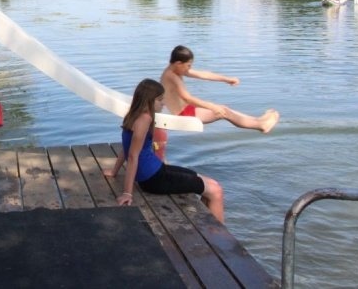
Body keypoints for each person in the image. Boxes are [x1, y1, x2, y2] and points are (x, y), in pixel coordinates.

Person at [115, 79, 224, 222]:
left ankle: (207, 227)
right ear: (149, 100)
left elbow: (126, 147)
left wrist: (114, 171)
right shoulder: (145, 119)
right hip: (154, 179)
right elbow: (133, 155)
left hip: (157, 171)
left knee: (209, 183)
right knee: (216, 191)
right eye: (160, 100)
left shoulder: (133, 115)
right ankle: (221, 241)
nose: (164, 103)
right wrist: (127, 193)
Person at [160, 45, 279, 134]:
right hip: (183, 114)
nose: (189, 69)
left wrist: (227, 79)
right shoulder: (171, 76)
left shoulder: (177, 70)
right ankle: (261, 125)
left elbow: (204, 75)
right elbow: (187, 98)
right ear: (178, 63)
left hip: (187, 110)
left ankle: (257, 120)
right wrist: (212, 106)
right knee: (223, 112)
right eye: (188, 65)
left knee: (224, 109)